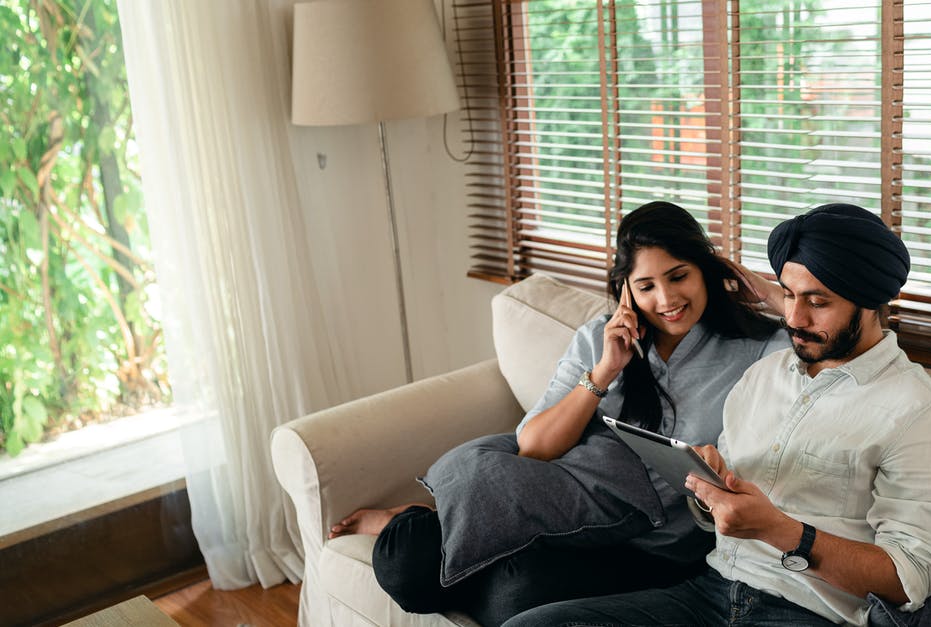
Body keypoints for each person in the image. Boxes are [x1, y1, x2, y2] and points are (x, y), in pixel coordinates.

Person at [504, 203, 931, 627]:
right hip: (710, 593)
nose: (794, 318)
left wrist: (779, 530)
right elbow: (718, 521)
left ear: (874, 302)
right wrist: (710, 489)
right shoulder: (764, 376)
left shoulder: (924, 413)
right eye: (787, 295)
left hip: (811, 611)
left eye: (818, 302)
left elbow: (911, 578)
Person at [328, 200, 792, 625]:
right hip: (563, 519)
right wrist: (606, 371)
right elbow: (533, 446)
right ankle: (412, 519)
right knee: (406, 564)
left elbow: (841, 339)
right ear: (625, 290)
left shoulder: (758, 349)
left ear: (706, 270)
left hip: (653, 552)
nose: (666, 300)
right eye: (646, 286)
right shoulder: (598, 339)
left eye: (679, 276)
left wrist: (768, 292)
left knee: (514, 600)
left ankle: (460, 543)